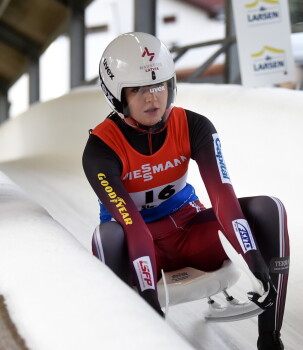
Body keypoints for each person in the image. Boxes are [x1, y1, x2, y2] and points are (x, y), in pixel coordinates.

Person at [82, 32, 290, 350]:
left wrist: (254, 259)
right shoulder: (100, 149)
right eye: (138, 89)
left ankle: (270, 339)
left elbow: (223, 198)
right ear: (117, 96)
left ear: (171, 85)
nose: (152, 98)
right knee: (106, 237)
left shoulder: (195, 126)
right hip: (141, 249)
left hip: (190, 233)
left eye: (159, 85)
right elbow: (131, 224)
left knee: (269, 209)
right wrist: (149, 296)